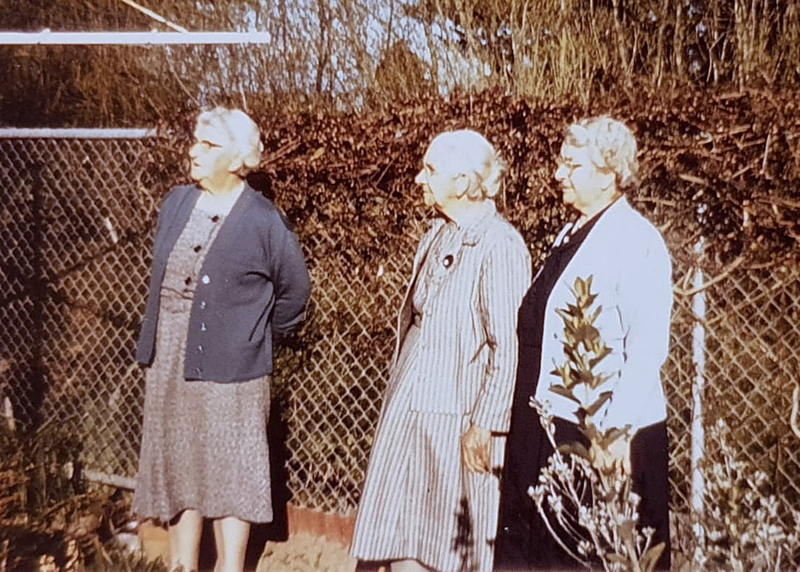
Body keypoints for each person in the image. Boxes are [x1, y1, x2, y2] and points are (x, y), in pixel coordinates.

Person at [133, 107, 311, 572]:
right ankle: (182, 565)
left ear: (236, 159)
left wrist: (254, 335)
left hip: (236, 364)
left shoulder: (263, 219)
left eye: (207, 145)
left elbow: (295, 290)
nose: (194, 151)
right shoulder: (175, 203)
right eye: (196, 140)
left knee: (232, 470)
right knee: (179, 462)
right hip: (170, 355)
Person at [495, 116, 673, 570]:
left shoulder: (636, 240)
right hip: (548, 425)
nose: (558, 174)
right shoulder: (571, 234)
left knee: (588, 556)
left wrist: (616, 434)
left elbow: (648, 346)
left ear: (610, 174)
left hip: (603, 434)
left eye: (572, 166)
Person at [350, 130, 531, 572]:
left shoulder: (500, 245)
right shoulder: (436, 234)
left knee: (445, 548)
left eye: (430, 170)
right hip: (410, 411)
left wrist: (485, 425)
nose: (418, 179)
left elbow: (508, 346)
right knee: (399, 538)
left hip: (457, 422)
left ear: (465, 182)